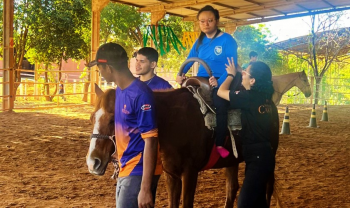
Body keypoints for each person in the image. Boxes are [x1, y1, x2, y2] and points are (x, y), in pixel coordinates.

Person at [87, 43, 162, 208]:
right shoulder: (120, 91)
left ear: (108, 68)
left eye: (100, 69)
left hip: (138, 172)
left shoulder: (140, 94)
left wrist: (145, 188)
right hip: (126, 168)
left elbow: (151, 140)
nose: (100, 73)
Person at [176, 5, 238, 158]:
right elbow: (190, 59)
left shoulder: (227, 39)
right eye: (202, 21)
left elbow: (232, 64)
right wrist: (181, 73)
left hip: (221, 78)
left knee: (219, 101)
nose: (206, 24)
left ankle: (219, 144)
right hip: (200, 78)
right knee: (181, 99)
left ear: (216, 21)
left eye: (209, 20)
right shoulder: (200, 41)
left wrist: (220, 81)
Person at [218, 58, 276, 208]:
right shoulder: (264, 98)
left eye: (245, 73)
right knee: (258, 203)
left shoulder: (248, 98)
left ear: (253, 81)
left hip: (257, 158)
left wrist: (230, 75)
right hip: (263, 156)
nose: (242, 74)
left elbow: (221, 92)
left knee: (244, 203)